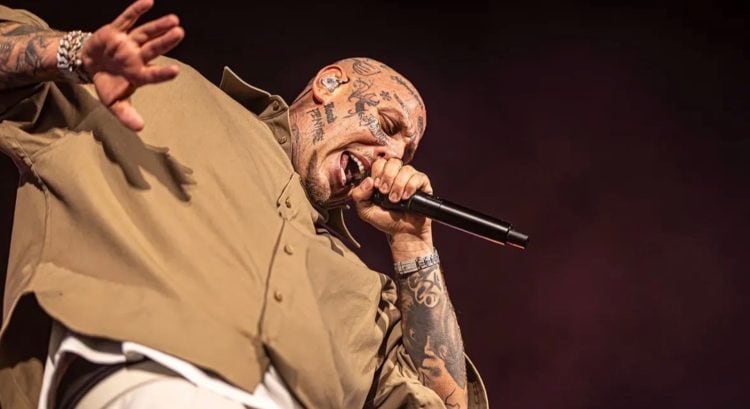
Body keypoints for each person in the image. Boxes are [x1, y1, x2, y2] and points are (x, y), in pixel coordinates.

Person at [0, 1, 488, 408]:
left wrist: (413, 243)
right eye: (387, 124)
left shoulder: (365, 292)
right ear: (330, 85)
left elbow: (443, 404)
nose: (392, 156)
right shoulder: (164, 94)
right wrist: (71, 53)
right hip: (155, 382)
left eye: (405, 153)